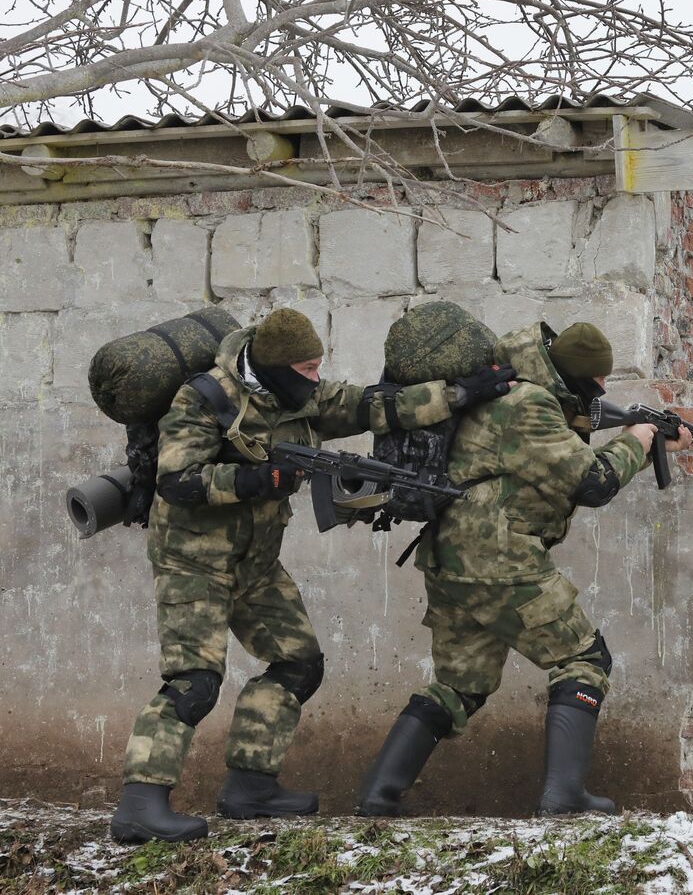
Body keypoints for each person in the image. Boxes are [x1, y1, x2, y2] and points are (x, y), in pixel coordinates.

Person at [110, 308, 512, 843]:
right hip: (193, 563)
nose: (316, 377)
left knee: (299, 665)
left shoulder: (304, 395)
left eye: (318, 366)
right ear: (275, 366)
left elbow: (373, 406)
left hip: (254, 563)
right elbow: (178, 480)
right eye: (306, 367)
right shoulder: (206, 399)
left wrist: (460, 393)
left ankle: (250, 787)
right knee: (194, 683)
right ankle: (140, 803)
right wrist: (257, 478)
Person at [356, 322, 693, 817]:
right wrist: (640, 438)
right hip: (499, 560)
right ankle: (564, 798)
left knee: (460, 686)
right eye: (598, 380)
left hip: (454, 557)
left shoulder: (510, 392)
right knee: (584, 660)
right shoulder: (529, 405)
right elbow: (592, 484)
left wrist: (647, 448)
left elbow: (560, 469)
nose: (602, 389)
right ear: (574, 375)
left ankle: (377, 796)